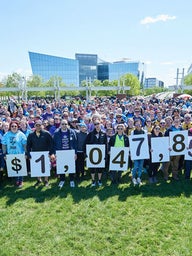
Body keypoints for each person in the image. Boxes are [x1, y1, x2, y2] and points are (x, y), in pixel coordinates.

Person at [26, 120, 54, 187]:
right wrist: (28, 153)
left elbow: (51, 144)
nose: (38, 127)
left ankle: (46, 180)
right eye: (36, 125)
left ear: (42, 126)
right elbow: (28, 145)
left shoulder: (47, 133)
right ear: (34, 126)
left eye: (39, 125)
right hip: (35, 154)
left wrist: (51, 153)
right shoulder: (31, 135)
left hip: (45, 153)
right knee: (37, 168)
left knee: (46, 168)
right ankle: (39, 180)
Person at [2, 121, 27, 188]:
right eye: (12, 126)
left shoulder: (21, 134)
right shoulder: (6, 135)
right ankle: (16, 181)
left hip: (20, 154)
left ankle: (21, 181)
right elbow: (4, 145)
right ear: (10, 127)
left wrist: (26, 153)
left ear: (17, 127)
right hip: (10, 154)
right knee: (14, 168)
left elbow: (24, 144)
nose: (14, 127)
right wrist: (4, 154)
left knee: (20, 168)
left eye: (15, 126)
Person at [53, 119, 77, 188]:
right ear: (60, 125)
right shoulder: (56, 133)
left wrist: (75, 153)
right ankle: (62, 179)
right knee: (61, 166)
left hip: (70, 152)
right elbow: (54, 143)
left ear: (68, 125)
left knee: (71, 167)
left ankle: (71, 180)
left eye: (65, 124)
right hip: (60, 152)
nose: (64, 125)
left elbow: (75, 143)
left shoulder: (72, 132)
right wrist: (55, 153)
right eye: (63, 124)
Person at [84, 118, 108, 187]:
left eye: (98, 124)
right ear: (93, 125)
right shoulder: (90, 134)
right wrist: (86, 154)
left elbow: (106, 144)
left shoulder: (104, 134)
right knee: (92, 168)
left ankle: (99, 180)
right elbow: (86, 144)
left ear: (100, 124)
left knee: (100, 168)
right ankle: (93, 181)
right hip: (92, 154)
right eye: (95, 124)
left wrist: (105, 154)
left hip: (101, 153)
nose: (97, 125)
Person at [131, 119, 146, 185]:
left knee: (140, 165)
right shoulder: (133, 132)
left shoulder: (144, 132)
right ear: (135, 125)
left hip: (142, 151)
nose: (138, 125)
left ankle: (139, 177)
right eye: (136, 124)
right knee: (135, 166)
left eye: (139, 124)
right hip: (135, 152)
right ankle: (133, 177)